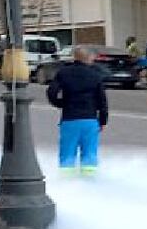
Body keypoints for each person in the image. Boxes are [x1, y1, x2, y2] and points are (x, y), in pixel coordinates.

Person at [46, 46, 108, 175]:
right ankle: (89, 178)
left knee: (67, 152)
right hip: (90, 120)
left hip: (69, 119)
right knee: (89, 153)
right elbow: (102, 101)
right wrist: (103, 121)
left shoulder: (64, 73)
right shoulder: (95, 75)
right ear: (89, 58)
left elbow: (51, 92)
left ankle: (67, 178)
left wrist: (61, 103)